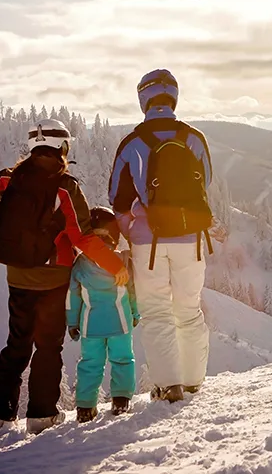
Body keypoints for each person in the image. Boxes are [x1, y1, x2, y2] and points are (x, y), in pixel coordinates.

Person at [0, 119, 127, 435]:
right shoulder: (65, 187)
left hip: (18, 276)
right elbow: (83, 238)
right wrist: (115, 266)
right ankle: (41, 416)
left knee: (17, 343)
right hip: (53, 278)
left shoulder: (12, 179)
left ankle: (1, 416)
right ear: (62, 148)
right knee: (48, 346)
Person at [109, 69, 215, 403]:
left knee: (156, 312)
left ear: (143, 98)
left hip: (149, 241)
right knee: (189, 309)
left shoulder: (132, 143)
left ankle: (169, 386)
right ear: (174, 97)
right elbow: (206, 182)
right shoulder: (194, 138)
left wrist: (132, 229)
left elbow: (117, 197)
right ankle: (194, 380)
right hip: (191, 239)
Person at [66, 207, 138, 422]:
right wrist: (135, 313)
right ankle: (121, 400)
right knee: (123, 360)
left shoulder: (80, 264)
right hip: (121, 322)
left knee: (90, 364)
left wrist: (72, 322)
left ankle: (85, 407)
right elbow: (133, 291)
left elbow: (73, 297)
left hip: (91, 326)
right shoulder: (123, 262)